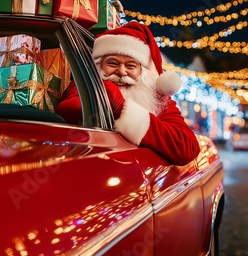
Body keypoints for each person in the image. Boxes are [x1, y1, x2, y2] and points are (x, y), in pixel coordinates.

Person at [56, 22, 199, 166]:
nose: (122, 72)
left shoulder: (158, 99)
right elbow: (69, 109)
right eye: (112, 63)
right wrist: (103, 95)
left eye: (131, 65)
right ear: (99, 65)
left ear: (142, 71)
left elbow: (188, 148)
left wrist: (122, 108)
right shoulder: (85, 84)